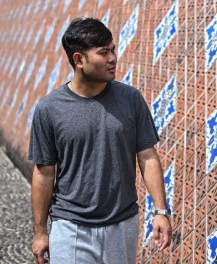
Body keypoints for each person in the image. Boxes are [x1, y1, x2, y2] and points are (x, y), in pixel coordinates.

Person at [29, 17, 172, 264]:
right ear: (79, 60)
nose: (113, 58)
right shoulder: (49, 109)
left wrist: (160, 211)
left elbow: (147, 156)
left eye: (113, 50)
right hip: (70, 226)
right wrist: (41, 232)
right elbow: (44, 173)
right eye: (103, 52)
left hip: (122, 225)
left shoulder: (131, 99)